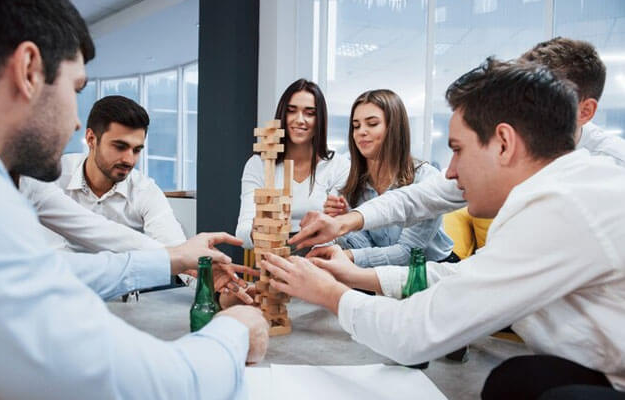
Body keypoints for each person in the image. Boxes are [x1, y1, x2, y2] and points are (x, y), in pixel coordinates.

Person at [0, 1, 267, 398]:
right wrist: (236, 331)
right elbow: (151, 388)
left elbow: (53, 268)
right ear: (29, 70)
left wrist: (175, 257)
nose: (73, 121)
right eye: (75, 88)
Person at [263, 59, 625, 399]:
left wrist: (329, 293)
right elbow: (461, 271)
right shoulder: (565, 187)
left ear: (504, 143)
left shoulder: (558, 209)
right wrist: (356, 273)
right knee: (513, 381)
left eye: (457, 150)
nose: (450, 171)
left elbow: (415, 332)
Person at [289, 37, 625, 250]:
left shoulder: (609, 173)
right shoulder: (496, 164)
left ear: (585, 111)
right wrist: (347, 222)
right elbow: (422, 198)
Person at [20, 95, 186, 251]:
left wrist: (197, 269)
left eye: (136, 150)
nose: (129, 160)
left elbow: (176, 249)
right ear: (91, 139)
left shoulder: (145, 191)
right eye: (120, 147)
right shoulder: (51, 176)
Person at [322, 89, 454, 267]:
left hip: (430, 270)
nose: (361, 132)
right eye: (356, 125)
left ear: (394, 128)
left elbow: (408, 253)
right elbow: (367, 247)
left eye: (372, 123)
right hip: (384, 272)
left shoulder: (426, 179)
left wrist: (348, 254)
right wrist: (345, 223)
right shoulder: (351, 183)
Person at [235, 79, 350, 250]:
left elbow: (340, 234)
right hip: (272, 258)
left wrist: (340, 218)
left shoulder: (338, 166)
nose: (300, 120)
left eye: (309, 113)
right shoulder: (259, 164)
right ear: (283, 114)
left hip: (319, 257)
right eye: (291, 111)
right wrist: (258, 230)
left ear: (320, 120)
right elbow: (242, 234)